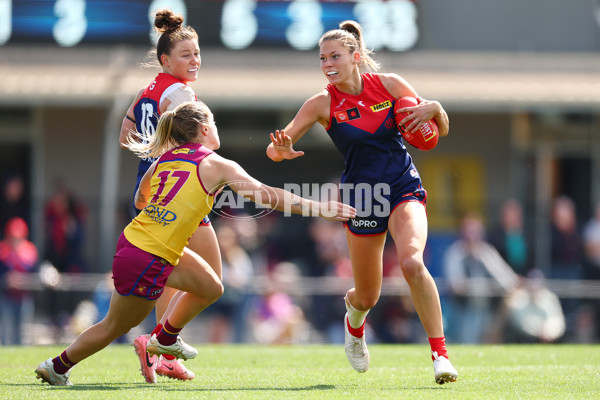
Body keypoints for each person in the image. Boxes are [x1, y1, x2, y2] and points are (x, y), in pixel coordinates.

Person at [35, 100, 355, 386]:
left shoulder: (164, 159)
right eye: (214, 121)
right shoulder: (215, 164)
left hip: (136, 243)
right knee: (116, 325)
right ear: (204, 129)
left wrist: (168, 216)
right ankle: (59, 365)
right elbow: (268, 196)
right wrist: (320, 208)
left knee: (211, 286)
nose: (216, 126)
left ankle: (162, 338)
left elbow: (140, 198)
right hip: (149, 255)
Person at [266, 20, 458, 384]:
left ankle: (440, 356)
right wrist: (281, 150)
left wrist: (435, 108)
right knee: (368, 296)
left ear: (356, 57)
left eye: (334, 56)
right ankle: (354, 326)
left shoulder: (391, 85)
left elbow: (438, 131)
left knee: (412, 263)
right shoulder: (322, 102)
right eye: (322, 58)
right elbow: (276, 147)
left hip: (403, 186)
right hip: (363, 197)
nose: (327, 64)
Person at [117, 8, 222, 382]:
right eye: (185, 55)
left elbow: (125, 135)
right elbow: (211, 141)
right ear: (165, 59)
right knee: (211, 281)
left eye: (196, 53)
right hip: (179, 191)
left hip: (150, 191)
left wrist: (153, 155)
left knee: (171, 273)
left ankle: (161, 347)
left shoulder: (149, 89)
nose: (194, 60)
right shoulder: (180, 92)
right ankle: (160, 342)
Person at [443, 212, 519, 344]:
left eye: (475, 232)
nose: (472, 236)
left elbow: (508, 280)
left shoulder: (487, 252)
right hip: (463, 308)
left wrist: (483, 260)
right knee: (466, 341)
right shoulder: (455, 252)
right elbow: (455, 284)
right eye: (469, 232)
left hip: (488, 307)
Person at [0, 217, 38, 345]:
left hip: (24, 296)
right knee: (6, 328)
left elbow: (35, 274)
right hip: (6, 296)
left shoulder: (30, 251)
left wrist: (23, 281)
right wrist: (7, 280)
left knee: (22, 331)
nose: (15, 240)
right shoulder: (3, 250)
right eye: (13, 236)